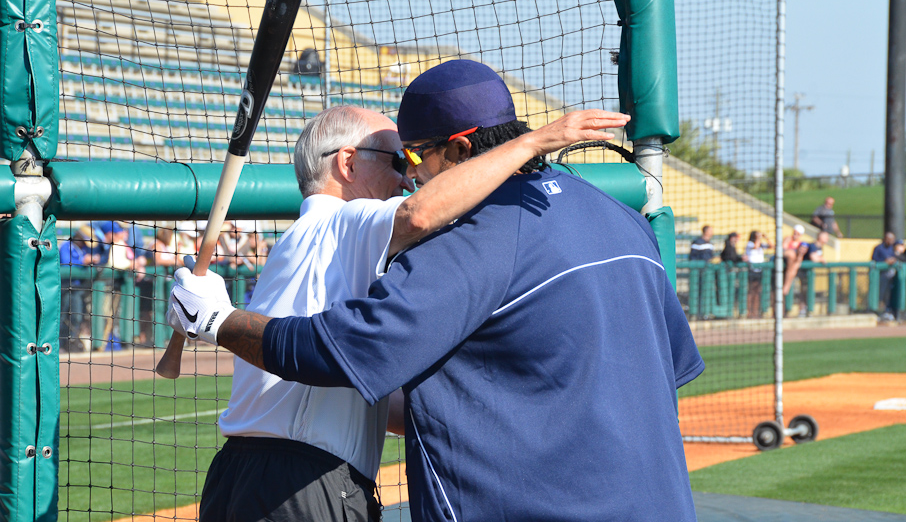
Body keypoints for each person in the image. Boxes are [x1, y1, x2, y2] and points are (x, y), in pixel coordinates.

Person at [167, 60, 704, 522]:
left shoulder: (469, 239)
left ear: (461, 146)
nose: (411, 177)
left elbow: (351, 336)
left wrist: (216, 320)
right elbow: (668, 370)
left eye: (414, 157)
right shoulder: (624, 221)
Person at [59, 225, 97, 352]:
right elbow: (65, 263)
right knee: (63, 316)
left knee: (77, 317)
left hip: (78, 288)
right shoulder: (66, 246)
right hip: (65, 288)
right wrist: (82, 261)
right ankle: (61, 344)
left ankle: (71, 342)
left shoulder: (84, 249)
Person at [745, 230, 774, 319]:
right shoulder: (750, 244)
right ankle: (749, 312)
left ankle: (756, 311)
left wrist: (766, 238)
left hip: (759, 270)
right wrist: (758, 238)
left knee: (757, 292)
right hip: (752, 270)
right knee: (751, 291)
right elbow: (755, 246)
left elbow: (772, 246)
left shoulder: (761, 244)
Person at [872, 231, 899, 322]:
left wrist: (894, 260)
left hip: (891, 275)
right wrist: (884, 262)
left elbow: (897, 257)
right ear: (886, 239)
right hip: (881, 275)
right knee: (880, 294)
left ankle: (888, 311)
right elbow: (874, 260)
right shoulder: (878, 248)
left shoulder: (892, 249)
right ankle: (877, 311)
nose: (892, 241)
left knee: (889, 294)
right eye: (890, 240)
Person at [781, 224, 806, 296]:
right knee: (791, 255)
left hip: (793, 263)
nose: (795, 235)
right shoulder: (788, 239)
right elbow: (784, 249)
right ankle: (787, 285)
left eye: (798, 233)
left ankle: (787, 285)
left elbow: (800, 256)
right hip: (786, 258)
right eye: (795, 232)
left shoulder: (800, 243)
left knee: (796, 263)